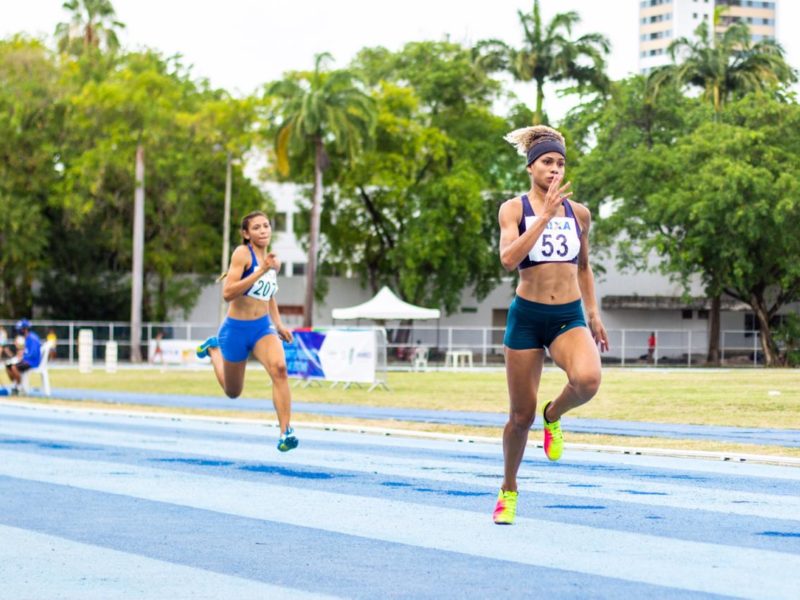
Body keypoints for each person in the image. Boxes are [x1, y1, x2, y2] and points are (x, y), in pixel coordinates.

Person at [493, 125, 610, 525]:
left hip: (568, 317)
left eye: (560, 163)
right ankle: (509, 488)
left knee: (589, 380)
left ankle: (555, 414)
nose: (555, 169)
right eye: (547, 162)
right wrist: (541, 218)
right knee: (518, 417)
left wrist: (593, 313)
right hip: (527, 317)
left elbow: (584, 267)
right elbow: (509, 260)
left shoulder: (580, 214)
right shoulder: (514, 209)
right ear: (531, 167)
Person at [195, 210, 298, 452]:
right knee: (233, 392)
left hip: (262, 328)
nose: (263, 230)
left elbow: (268, 294)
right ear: (246, 234)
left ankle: (285, 432)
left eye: (266, 226)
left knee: (280, 369)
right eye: (256, 227)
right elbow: (228, 293)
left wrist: (279, 324)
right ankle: (213, 350)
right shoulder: (242, 254)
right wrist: (260, 270)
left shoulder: (273, 260)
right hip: (235, 331)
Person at [4, 319, 42, 394]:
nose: (19, 331)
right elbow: (23, 351)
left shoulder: (32, 338)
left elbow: (32, 354)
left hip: (31, 362)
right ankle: (16, 384)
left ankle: (19, 387)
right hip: (26, 360)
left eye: (20, 329)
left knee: (13, 367)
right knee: (8, 366)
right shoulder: (26, 338)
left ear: (25, 329)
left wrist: (22, 357)